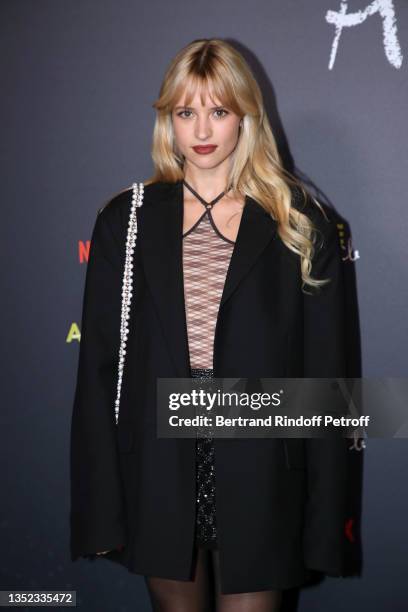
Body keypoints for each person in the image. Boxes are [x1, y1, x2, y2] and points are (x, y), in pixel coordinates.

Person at [70, 38, 350, 612]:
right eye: (186, 111)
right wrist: (101, 509)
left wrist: (326, 524)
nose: (202, 129)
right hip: (158, 465)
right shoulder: (124, 220)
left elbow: (329, 381)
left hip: (263, 462)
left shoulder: (299, 221)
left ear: (245, 116)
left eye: (218, 111)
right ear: (167, 118)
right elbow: (97, 372)